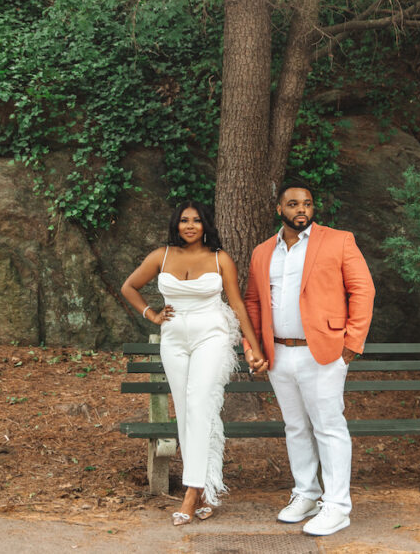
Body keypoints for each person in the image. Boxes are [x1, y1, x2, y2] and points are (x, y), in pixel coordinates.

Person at [121, 201, 267, 526]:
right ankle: (203, 489)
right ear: (176, 224)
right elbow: (129, 287)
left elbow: (238, 305)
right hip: (173, 339)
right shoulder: (161, 256)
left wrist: (253, 347)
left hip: (211, 335)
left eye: (196, 220)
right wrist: (152, 314)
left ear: (205, 225)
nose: (190, 225)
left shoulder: (220, 258)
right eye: (184, 220)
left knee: (199, 403)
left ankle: (192, 489)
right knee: (186, 410)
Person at [243, 181, 375, 536]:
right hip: (278, 354)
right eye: (293, 204)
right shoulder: (261, 252)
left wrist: (351, 344)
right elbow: (253, 303)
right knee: (296, 427)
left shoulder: (338, 240)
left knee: (329, 427)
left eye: (308, 204)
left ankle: (337, 506)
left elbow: (363, 289)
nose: (301, 209)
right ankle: (306, 493)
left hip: (325, 353)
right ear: (279, 209)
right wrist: (252, 348)